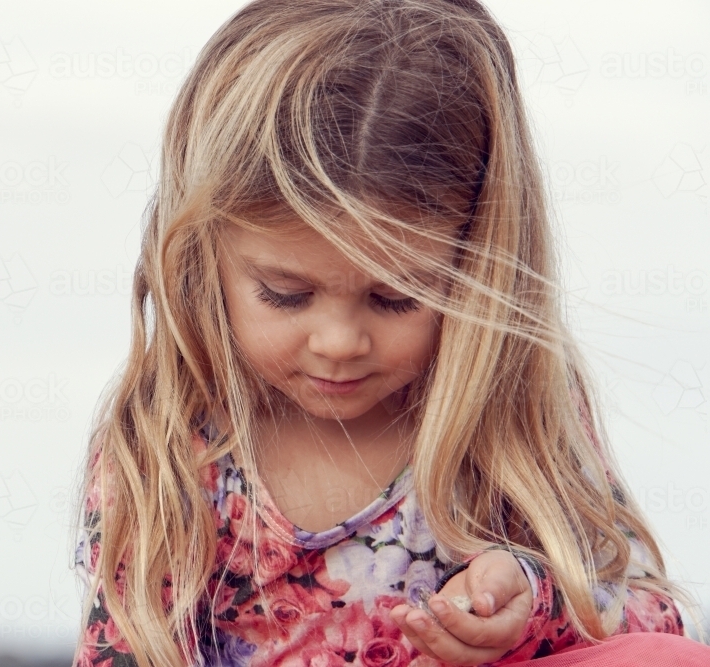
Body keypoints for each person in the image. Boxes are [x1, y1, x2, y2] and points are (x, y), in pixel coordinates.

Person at [70, 0, 706, 665]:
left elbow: (657, 616)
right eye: (287, 294)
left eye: (397, 297)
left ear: (474, 264)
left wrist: (531, 603)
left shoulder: (508, 406)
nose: (340, 341)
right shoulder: (166, 437)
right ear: (205, 257)